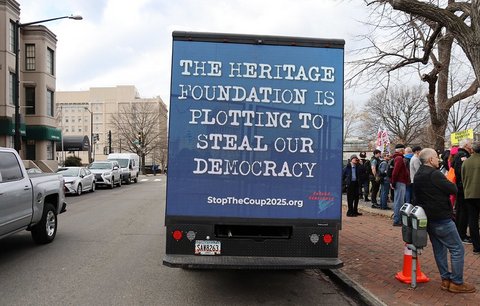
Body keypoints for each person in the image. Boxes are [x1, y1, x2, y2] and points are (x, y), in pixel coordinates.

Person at [413, 148, 475, 293]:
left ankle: (445, 280)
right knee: (457, 248)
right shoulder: (434, 174)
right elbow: (453, 189)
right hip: (441, 218)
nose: (438, 160)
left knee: (439, 249)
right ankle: (457, 282)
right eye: (436, 157)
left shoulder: (418, 174)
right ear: (430, 160)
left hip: (428, 218)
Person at [452, 138, 474, 244]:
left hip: (461, 187)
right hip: (462, 188)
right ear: (466, 145)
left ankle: (459, 233)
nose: (472, 147)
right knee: (463, 212)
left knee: (461, 211)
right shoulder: (462, 155)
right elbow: (461, 172)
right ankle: (461, 235)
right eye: (470, 144)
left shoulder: (459, 154)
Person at [461, 141, 480, 254]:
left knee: (472, 221)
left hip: (469, 195)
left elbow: (463, 179)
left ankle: (476, 247)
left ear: (472, 150)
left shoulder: (466, 162)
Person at [390, 144, 409, 226]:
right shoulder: (399, 158)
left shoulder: (397, 158)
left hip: (399, 182)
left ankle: (397, 219)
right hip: (400, 182)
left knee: (398, 201)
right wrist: (393, 182)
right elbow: (395, 172)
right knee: (399, 202)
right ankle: (397, 220)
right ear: (402, 150)